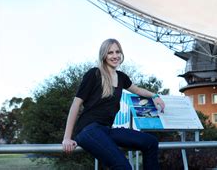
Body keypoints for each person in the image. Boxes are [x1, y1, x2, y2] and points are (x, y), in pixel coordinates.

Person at [62, 38, 165, 169]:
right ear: (104, 55)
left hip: (106, 130)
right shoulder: (94, 74)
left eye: (117, 52)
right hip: (87, 130)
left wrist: (154, 96)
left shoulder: (121, 77)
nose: (115, 56)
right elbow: (75, 105)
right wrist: (67, 137)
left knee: (151, 142)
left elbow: (137, 89)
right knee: (123, 167)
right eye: (110, 52)